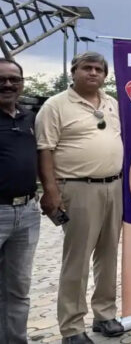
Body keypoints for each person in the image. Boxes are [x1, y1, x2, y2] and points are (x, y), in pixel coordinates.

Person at [36, 52, 124, 342]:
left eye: (99, 69)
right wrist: (51, 191)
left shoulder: (112, 103)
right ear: (74, 71)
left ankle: (105, 314)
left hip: (114, 185)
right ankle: (72, 327)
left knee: (109, 254)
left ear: (105, 75)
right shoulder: (55, 105)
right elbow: (45, 150)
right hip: (77, 188)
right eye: (87, 68)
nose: (93, 73)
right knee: (77, 258)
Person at [0, 59, 41, 344]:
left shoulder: (29, 117)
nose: (8, 84)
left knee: (18, 288)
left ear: (22, 83)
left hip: (27, 212)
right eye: (1, 79)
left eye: (14, 79)